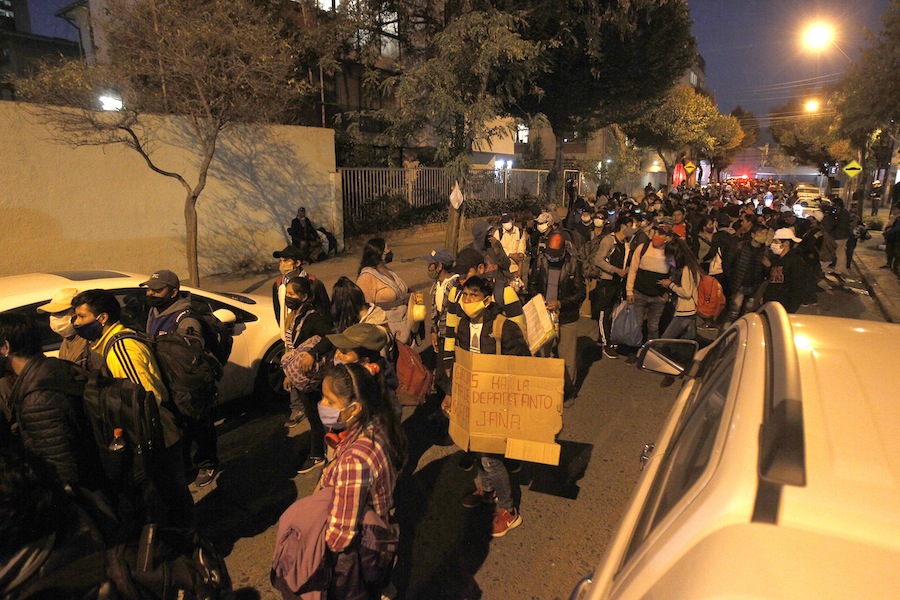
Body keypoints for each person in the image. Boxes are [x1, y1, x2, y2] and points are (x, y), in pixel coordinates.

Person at [71, 289, 194, 532]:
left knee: (170, 498)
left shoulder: (121, 348)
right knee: (169, 497)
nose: (76, 323)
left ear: (102, 318)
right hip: (152, 437)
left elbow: (145, 400)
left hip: (157, 438)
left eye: (81, 317)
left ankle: (191, 547)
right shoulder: (107, 344)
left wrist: (137, 450)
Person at [440, 276, 530, 538]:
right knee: (475, 446)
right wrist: (450, 393)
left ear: (487, 299)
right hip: (473, 399)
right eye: (464, 295)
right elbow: (460, 364)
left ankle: (508, 510)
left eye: (473, 296)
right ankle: (488, 491)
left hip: (498, 402)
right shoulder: (464, 328)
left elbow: (523, 366)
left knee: (491, 458)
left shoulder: (504, 328)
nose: (466, 301)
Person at [316, 363, 407, 598]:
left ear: (355, 408)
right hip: (383, 523)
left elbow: (340, 536)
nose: (322, 405)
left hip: (361, 547)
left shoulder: (354, 461)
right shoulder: (379, 425)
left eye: (329, 400)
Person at [0, 313, 104, 493]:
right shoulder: (53, 367)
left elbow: (62, 469)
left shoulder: (37, 400)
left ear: (6, 347)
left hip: (81, 494)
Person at [142, 269, 220, 488]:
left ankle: (208, 463)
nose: (151, 293)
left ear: (174, 292)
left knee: (200, 424)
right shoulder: (154, 313)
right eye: (149, 289)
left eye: (157, 290)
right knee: (181, 427)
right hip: (168, 382)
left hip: (188, 384)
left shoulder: (185, 319)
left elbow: (193, 356)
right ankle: (186, 466)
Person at [527, 231, 586, 407]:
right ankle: (545, 390)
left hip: (566, 316)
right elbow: (532, 285)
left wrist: (560, 303)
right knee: (542, 354)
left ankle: (567, 393)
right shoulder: (540, 260)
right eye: (549, 254)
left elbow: (581, 293)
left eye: (555, 255)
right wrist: (539, 301)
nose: (551, 258)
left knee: (567, 357)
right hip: (543, 314)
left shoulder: (574, 264)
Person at [283, 277, 333, 473]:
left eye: (291, 294)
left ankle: (318, 455)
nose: (288, 298)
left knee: (316, 415)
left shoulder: (313, 318)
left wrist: (312, 355)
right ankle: (319, 450)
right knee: (314, 415)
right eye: (287, 294)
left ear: (304, 297)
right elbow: (293, 347)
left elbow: (331, 336)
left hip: (312, 377)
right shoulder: (295, 315)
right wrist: (289, 374)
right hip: (300, 375)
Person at [593, 213, 636, 358]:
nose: (632, 229)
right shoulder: (609, 240)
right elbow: (598, 260)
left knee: (612, 311)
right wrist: (616, 270)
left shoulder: (626, 243)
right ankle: (605, 343)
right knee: (604, 312)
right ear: (622, 226)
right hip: (607, 281)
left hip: (618, 282)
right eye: (630, 226)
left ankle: (607, 338)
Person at [626, 223, 674, 349]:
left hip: (658, 297)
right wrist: (629, 291)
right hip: (639, 293)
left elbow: (675, 273)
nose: (656, 236)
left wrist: (668, 289)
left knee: (653, 327)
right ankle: (633, 350)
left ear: (667, 238)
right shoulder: (643, 248)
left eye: (660, 234)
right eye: (655, 232)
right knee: (636, 325)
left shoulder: (670, 254)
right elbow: (633, 270)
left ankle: (651, 351)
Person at [357, 238, 411, 345]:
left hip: (404, 325)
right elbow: (365, 309)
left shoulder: (388, 271)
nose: (390, 252)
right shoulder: (366, 277)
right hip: (387, 331)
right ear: (380, 254)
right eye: (387, 249)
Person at [424, 248, 457, 394]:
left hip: (449, 337)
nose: (429, 267)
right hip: (440, 335)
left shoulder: (452, 285)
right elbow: (435, 310)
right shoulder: (438, 284)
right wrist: (433, 331)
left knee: (445, 374)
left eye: (431, 264)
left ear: (440, 266)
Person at [37, 288, 95, 370]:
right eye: (53, 313)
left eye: (61, 312)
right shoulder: (67, 340)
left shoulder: (89, 343)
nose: (54, 318)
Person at [725, 223, 770, 322]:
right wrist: (732, 281)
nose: (764, 236)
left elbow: (767, 272)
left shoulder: (765, 251)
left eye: (766, 234)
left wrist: (768, 266)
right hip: (739, 285)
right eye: (761, 233)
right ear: (753, 235)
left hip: (754, 287)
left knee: (748, 314)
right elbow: (728, 265)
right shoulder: (740, 247)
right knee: (733, 313)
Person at [763, 228, 808, 313]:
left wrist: (790, 309)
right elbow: (773, 278)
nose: (773, 245)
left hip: (784, 306)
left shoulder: (796, 262)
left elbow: (798, 288)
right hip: (772, 304)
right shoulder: (776, 259)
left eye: (776, 242)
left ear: (786, 243)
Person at [272, 244, 308, 332]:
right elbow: (278, 310)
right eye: (281, 261)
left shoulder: (311, 282)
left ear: (297, 263)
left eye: (286, 261)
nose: (282, 265)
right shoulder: (278, 284)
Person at [493, 213, 526, 279]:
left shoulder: (520, 232)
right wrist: (510, 255)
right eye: (503, 222)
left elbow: (521, 252)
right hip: (503, 270)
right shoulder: (498, 233)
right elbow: (497, 251)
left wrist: (519, 270)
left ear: (513, 220)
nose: (505, 224)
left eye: (507, 221)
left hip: (516, 268)